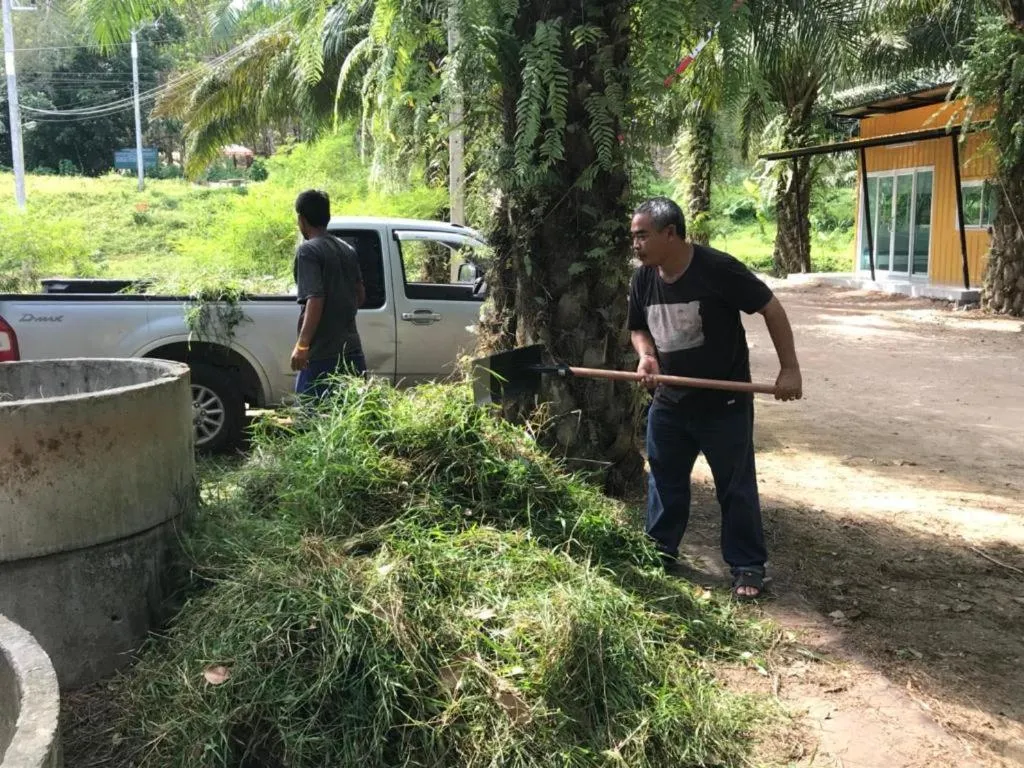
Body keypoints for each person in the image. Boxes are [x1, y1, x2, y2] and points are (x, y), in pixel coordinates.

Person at [627, 197, 802, 600]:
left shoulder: (717, 269)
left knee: (735, 487)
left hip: (724, 403)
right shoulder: (643, 279)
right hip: (670, 402)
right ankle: (659, 551)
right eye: (633, 236)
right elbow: (638, 326)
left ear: (670, 233)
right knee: (665, 483)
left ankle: (747, 566)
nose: (635, 245)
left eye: (642, 236)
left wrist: (789, 369)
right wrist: (647, 355)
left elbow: (771, 310)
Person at [290, 189, 367, 401]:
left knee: (313, 421)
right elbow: (360, 295)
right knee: (349, 418)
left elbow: (315, 298)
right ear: (327, 217)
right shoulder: (347, 250)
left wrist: (302, 345)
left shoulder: (308, 251)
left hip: (322, 354)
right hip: (351, 350)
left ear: (302, 220)